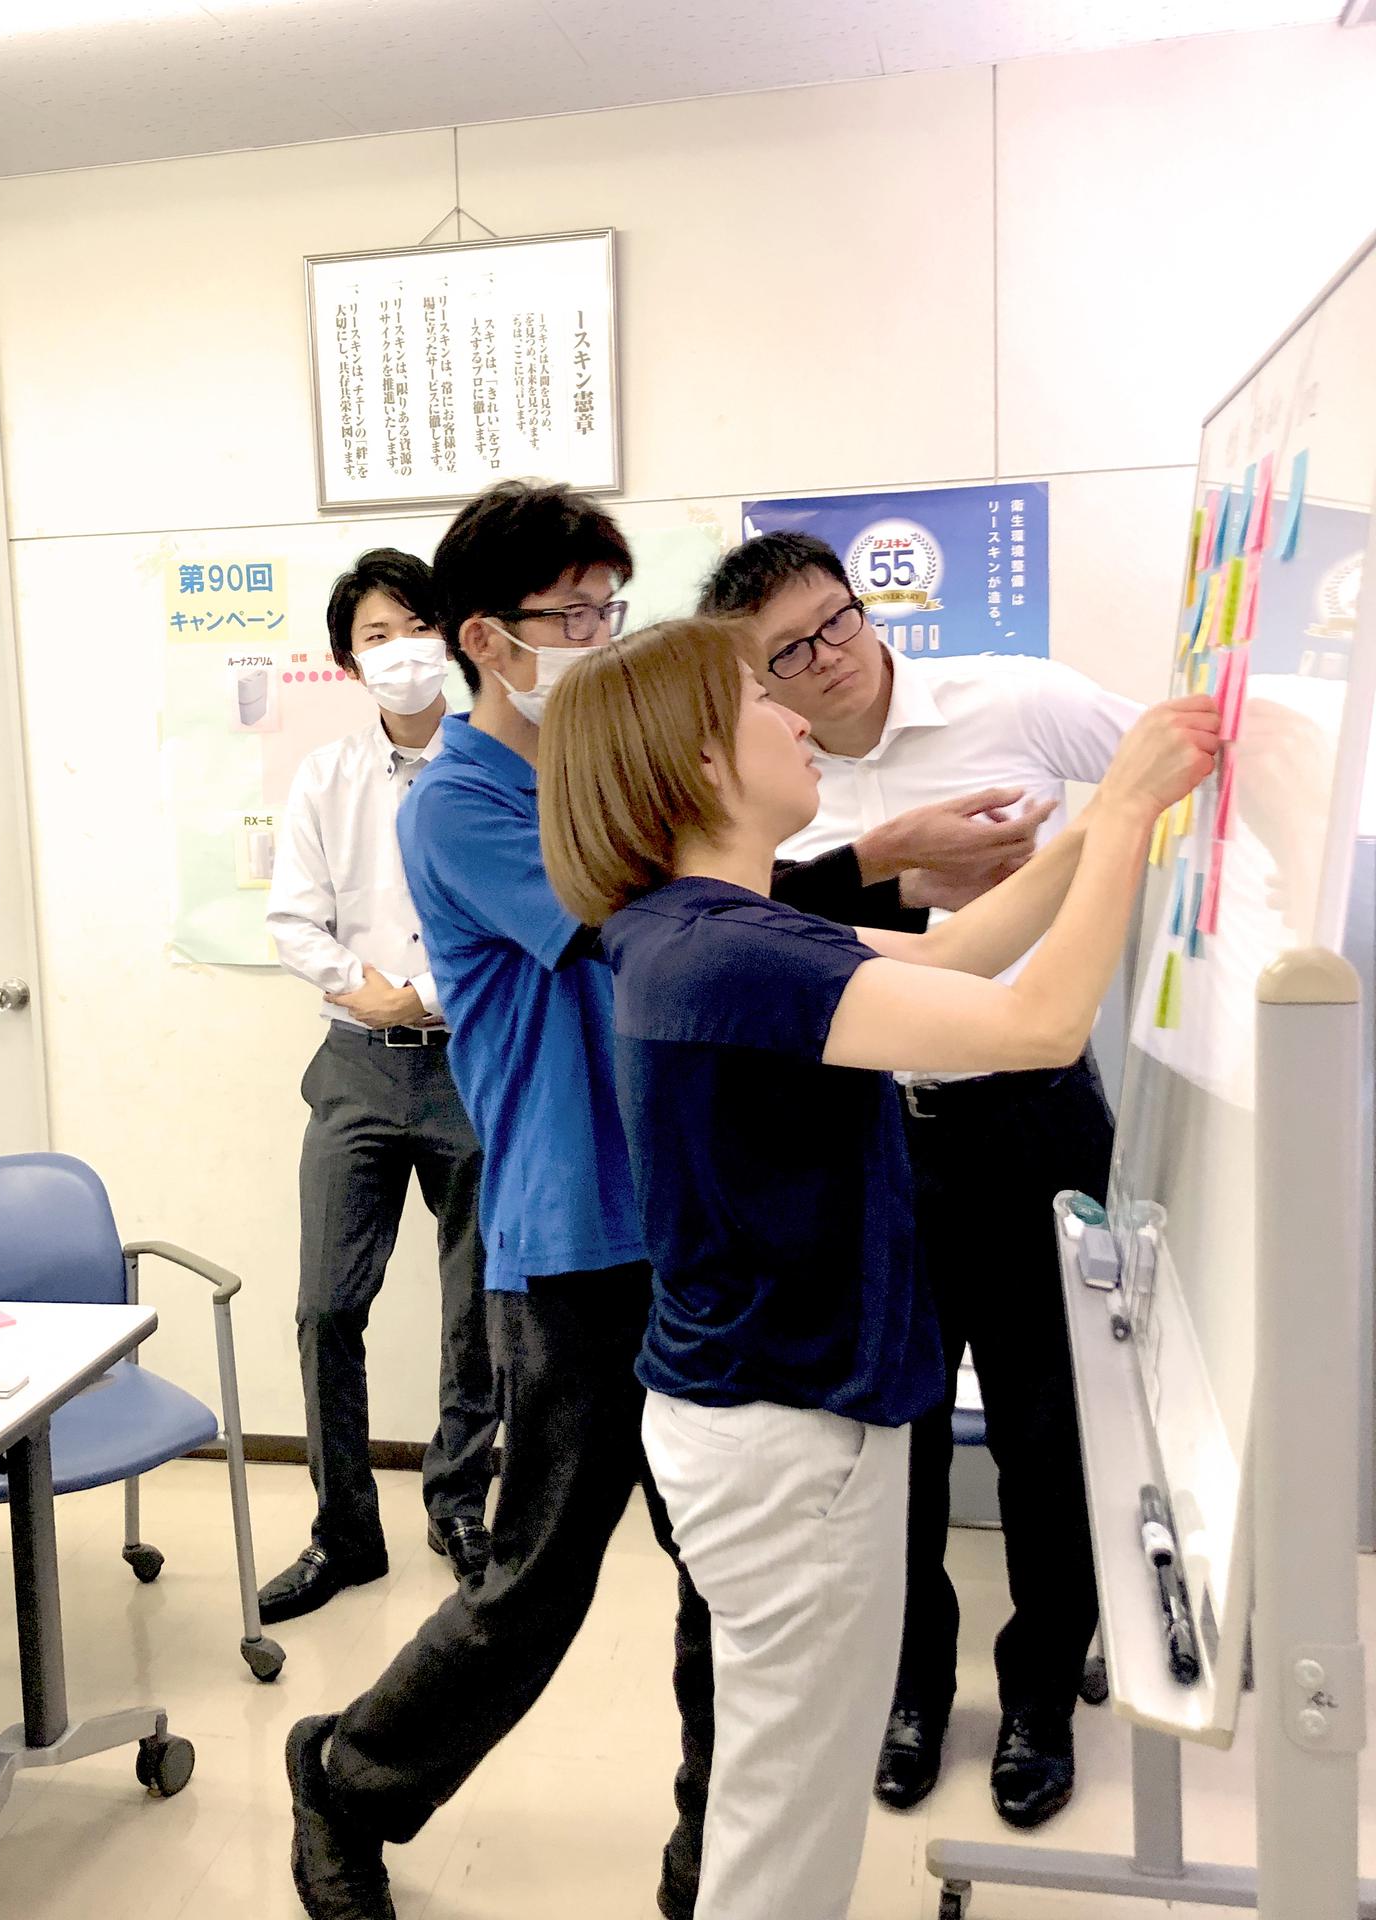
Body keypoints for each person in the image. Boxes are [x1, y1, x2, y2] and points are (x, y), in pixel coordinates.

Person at [280, 481, 1074, 1920]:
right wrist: (885, 861)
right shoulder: (465, 800)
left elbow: (737, 916)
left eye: (611, 607)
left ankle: (712, 1870)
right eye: (573, 614)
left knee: (731, 1587)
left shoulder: (609, 769)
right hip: (580, 1236)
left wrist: (914, 871)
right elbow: (671, 931)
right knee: (539, 1576)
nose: (601, 636)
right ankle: (347, 1778)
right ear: (486, 640)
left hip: (694, 1224)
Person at [534, 614, 1215, 1918]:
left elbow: (955, 957)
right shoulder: (730, 952)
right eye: (759, 700)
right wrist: (1127, 808)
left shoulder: (705, 926)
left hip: (760, 1416)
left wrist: (1099, 827)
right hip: (784, 1438)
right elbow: (1038, 1022)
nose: (798, 717)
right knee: (786, 1829)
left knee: (779, 1795)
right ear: (698, 758)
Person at [701, 531, 1142, 1825]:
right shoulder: (776, 786)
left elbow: (1165, 793)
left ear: (863, 603)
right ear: (756, 683)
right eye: (787, 654)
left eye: (834, 621)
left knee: (1050, 1427)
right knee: (892, 1430)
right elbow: (747, 926)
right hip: (875, 1140)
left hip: (1037, 1119)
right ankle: (913, 1689)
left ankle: (1043, 1691)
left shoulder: (1017, 699)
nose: (827, 659)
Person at [257, 550, 499, 1624]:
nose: (401, 650)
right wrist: (375, 996)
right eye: (375, 636)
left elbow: (518, 914)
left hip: (473, 1062)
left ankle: (460, 1504)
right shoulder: (325, 776)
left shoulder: (498, 767)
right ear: (348, 662)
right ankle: (345, 1532)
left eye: (416, 626)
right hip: (356, 1065)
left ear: (451, 637)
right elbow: (293, 918)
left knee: (477, 1308)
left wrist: (426, 996)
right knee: (325, 1307)